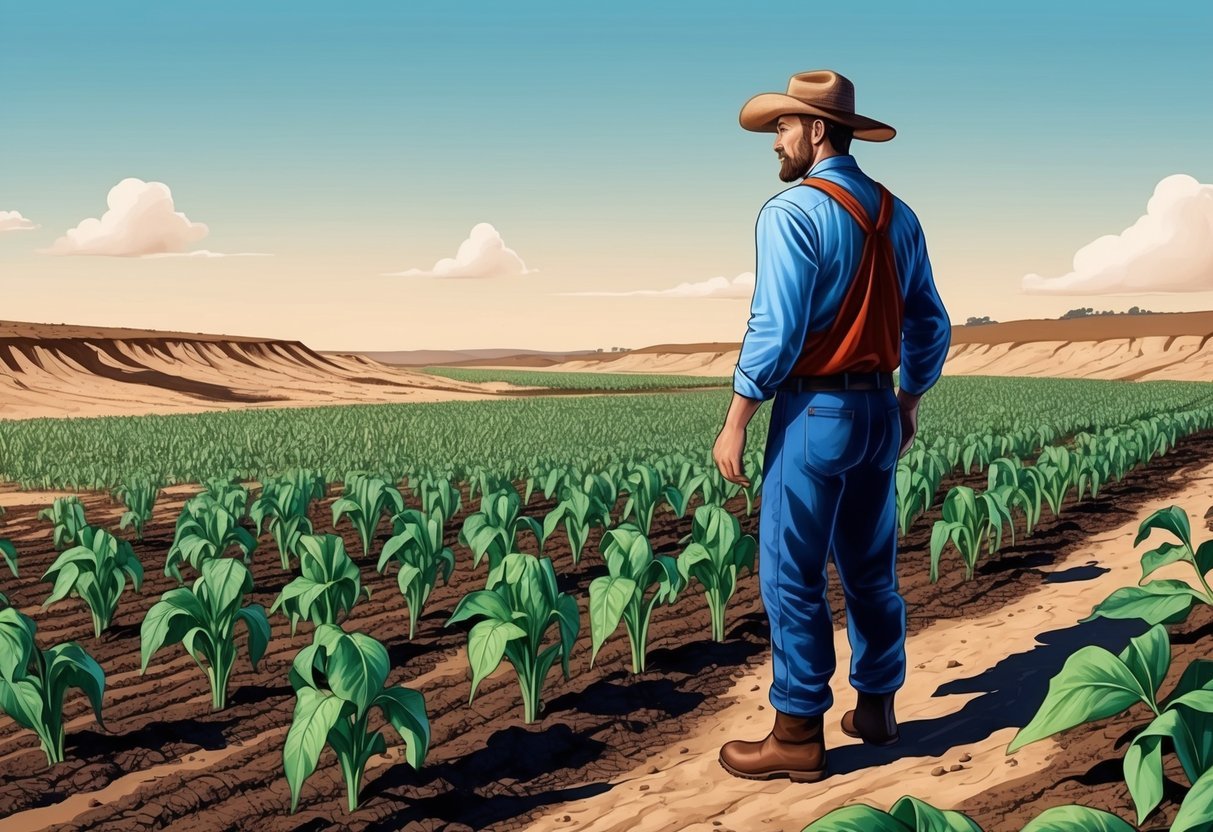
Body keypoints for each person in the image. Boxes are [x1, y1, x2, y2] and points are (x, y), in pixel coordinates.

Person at [712, 69, 951, 782]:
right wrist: (907, 401)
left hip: (814, 414)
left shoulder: (791, 213)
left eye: (782, 127)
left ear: (817, 130)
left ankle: (794, 734)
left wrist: (736, 419)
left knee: (791, 574)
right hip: (879, 411)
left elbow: (775, 329)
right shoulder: (897, 213)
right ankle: (876, 706)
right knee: (870, 569)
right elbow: (929, 322)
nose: (775, 142)